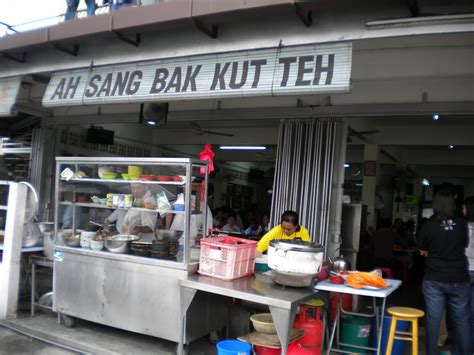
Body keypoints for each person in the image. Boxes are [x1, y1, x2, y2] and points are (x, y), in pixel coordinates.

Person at [419, 190, 470, 354]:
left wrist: (430, 250)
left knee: (433, 320)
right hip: (459, 277)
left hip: (435, 277)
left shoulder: (429, 225)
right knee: (462, 320)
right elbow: (464, 244)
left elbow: (422, 246)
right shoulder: (462, 224)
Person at [462, 196, 474, 351]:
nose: (462, 210)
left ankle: (461, 349)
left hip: (464, 272)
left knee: (461, 314)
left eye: (464, 208)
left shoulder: (462, 227)